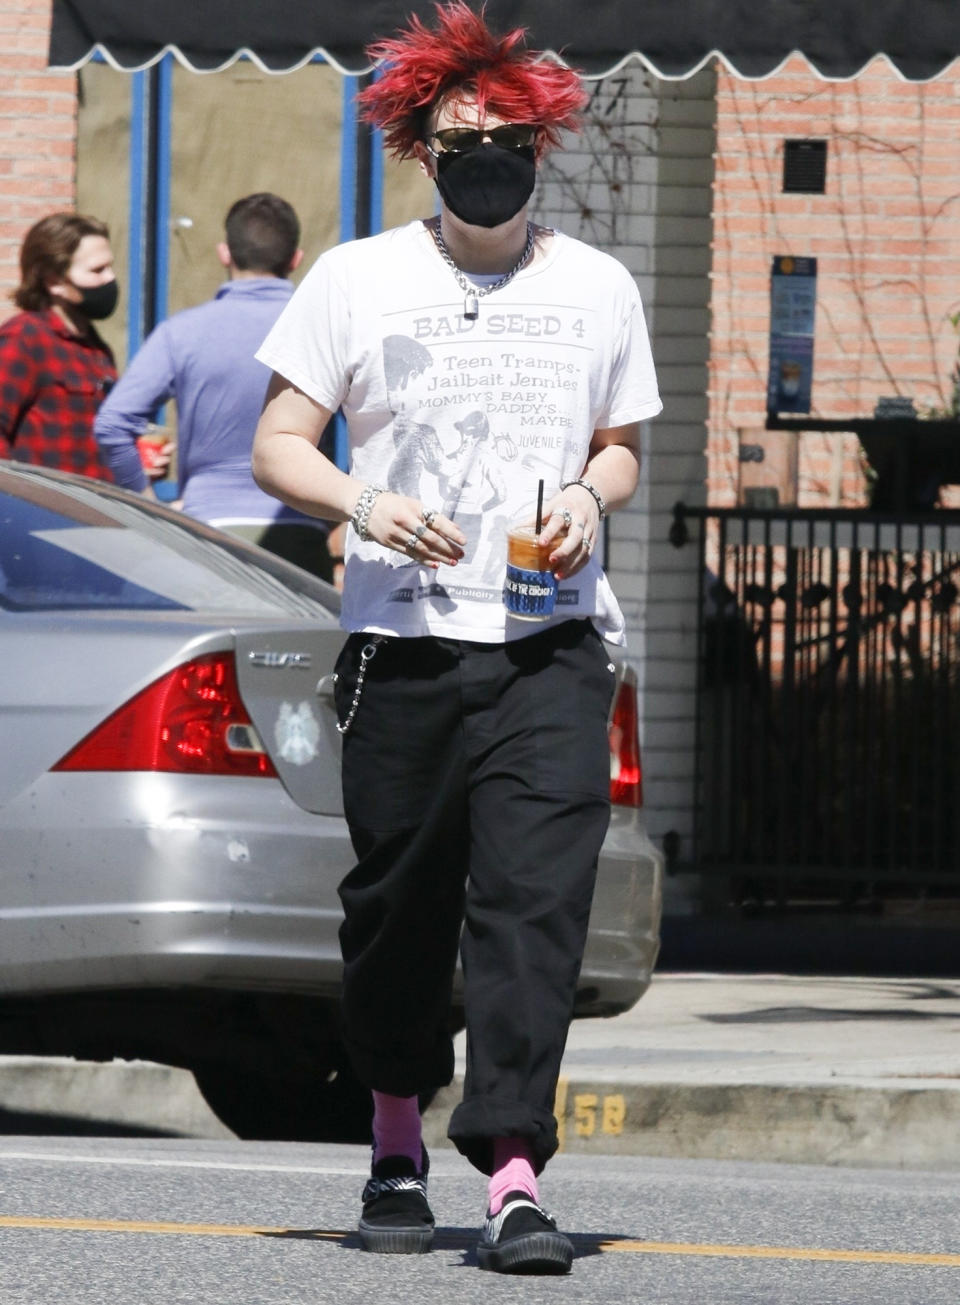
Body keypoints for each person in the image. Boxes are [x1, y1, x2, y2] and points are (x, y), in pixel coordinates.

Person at [252, 1, 661, 1275]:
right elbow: (278, 446)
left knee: (538, 907)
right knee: (399, 911)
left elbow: (623, 445)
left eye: (508, 136)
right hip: (406, 645)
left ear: (541, 145)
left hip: (549, 646)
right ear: (423, 149)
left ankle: (514, 1174)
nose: (487, 154)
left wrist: (594, 498)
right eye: (460, 137)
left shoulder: (597, 284)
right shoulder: (356, 278)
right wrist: (366, 503)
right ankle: (390, 1139)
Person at [95, 193, 333, 581]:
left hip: (207, 531)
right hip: (299, 531)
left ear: (225, 253)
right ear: (296, 259)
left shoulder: (181, 333)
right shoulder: (323, 330)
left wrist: (147, 502)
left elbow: (112, 424)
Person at [0, 212, 119, 479]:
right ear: (55, 281)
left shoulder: (97, 349)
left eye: (110, 267)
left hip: (99, 513)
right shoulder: (24, 339)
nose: (110, 279)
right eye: (97, 270)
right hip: (47, 516)